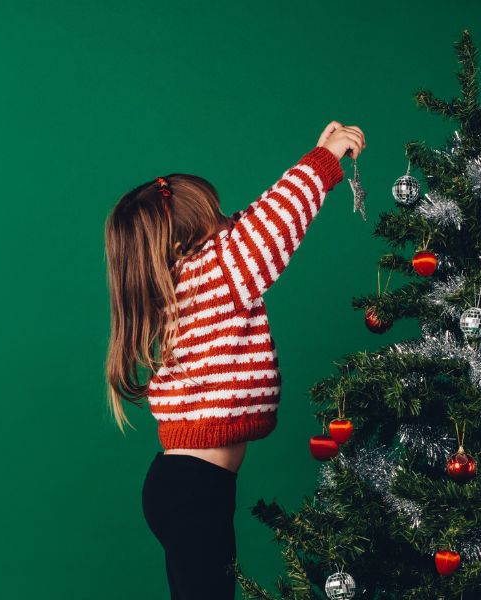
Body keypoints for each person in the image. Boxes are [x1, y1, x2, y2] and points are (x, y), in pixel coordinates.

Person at [104, 121, 365, 599]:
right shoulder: (219, 271)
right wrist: (325, 159)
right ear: (187, 239)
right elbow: (273, 221)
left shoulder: (173, 283)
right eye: (216, 217)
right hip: (194, 491)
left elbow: (258, 220)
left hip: (178, 483)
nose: (230, 222)